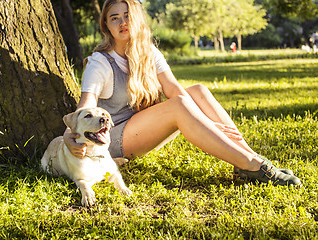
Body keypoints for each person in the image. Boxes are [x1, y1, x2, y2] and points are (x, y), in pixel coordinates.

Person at [64, 0, 301, 186]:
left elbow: (174, 89)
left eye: (127, 16)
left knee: (198, 90)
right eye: (114, 18)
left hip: (142, 129)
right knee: (178, 106)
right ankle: (252, 165)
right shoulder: (100, 63)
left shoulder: (148, 52)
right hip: (113, 140)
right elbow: (85, 109)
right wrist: (68, 136)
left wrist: (205, 121)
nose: (122, 22)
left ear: (137, 19)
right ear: (107, 26)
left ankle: (251, 160)